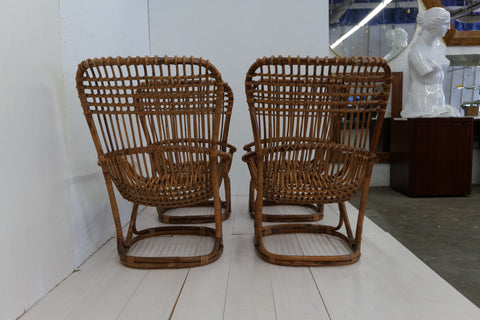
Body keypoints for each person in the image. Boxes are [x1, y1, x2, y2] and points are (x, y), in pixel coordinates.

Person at [401, 7, 460, 118]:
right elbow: (425, 71)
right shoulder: (416, 51)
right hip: (422, 101)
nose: (448, 27)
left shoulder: (440, 47)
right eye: (445, 24)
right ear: (434, 24)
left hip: (439, 99)